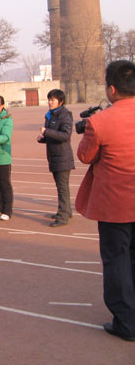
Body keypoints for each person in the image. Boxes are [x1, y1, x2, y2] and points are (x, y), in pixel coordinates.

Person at [75, 60, 135, 341]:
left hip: (115, 205)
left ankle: (126, 322)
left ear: (112, 89)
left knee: (117, 262)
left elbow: (85, 156)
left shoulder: (100, 122)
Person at [37, 89, 75, 227]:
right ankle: (66, 211)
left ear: (61, 101)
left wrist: (47, 131)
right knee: (61, 186)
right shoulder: (50, 115)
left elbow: (65, 135)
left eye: (53, 100)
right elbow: (52, 135)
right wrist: (42, 138)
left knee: (62, 187)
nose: (50, 102)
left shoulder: (65, 115)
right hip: (54, 156)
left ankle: (62, 216)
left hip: (62, 156)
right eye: (49, 99)